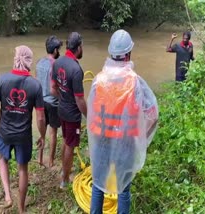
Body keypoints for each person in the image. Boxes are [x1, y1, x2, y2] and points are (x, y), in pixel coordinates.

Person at [87, 29, 159, 214]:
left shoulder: (99, 80)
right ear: (128, 54)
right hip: (126, 142)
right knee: (124, 188)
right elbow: (152, 114)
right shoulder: (134, 82)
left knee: (98, 184)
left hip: (101, 140)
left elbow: (92, 113)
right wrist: (142, 138)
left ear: (111, 52)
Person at [0, 45, 46, 214]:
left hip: (4, 132)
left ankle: (7, 196)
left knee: (2, 159)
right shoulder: (35, 85)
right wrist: (42, 136)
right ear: (29, 61)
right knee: (22, 168)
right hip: (23, 136)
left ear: (15, 59)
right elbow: (41, 117)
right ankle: (21, 209)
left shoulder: (2, 79)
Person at [51, 32, 87, 189]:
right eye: (82, 46)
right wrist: (89, 116)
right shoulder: (76, 70)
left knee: (66, 140)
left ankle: (62, 171)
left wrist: (64, 98)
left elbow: (53, 88)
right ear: (78, 47)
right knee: (70, 145)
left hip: (61, 109)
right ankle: (64, 180)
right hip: (72, 115)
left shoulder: (57, 63)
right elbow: (79, 99)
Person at [36, 35, 63, 167]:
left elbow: (37, 83)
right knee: (53, 132)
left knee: (42, 131)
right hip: (52, 103)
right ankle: (51, 161)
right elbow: (53, 90)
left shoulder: (39, 62)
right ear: (55, 50)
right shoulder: (56, 65)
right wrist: (63, 97)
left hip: (40, 102)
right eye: (59, 49)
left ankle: (40, 159)